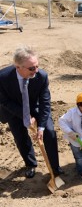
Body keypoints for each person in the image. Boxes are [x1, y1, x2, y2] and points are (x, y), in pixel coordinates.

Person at [0, 46, 63, 178]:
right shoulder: (3, 77)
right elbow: (4, 101)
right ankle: (30, 164)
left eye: (37, 66)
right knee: (20, 137)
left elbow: (45, 102)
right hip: (13, 109)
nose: (36, 70)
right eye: (31, 68)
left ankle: (55, 168)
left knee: (49, 132)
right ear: (18, 67)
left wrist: (40, 127)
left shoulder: (42, 76)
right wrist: (24, 116)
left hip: (36, 107)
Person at [59, 92, 82, 179]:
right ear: (79, 105)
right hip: (74, 140)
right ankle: (81, 169)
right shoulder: (72, 112)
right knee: (79, 157)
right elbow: (61, 121)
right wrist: (70, 132)